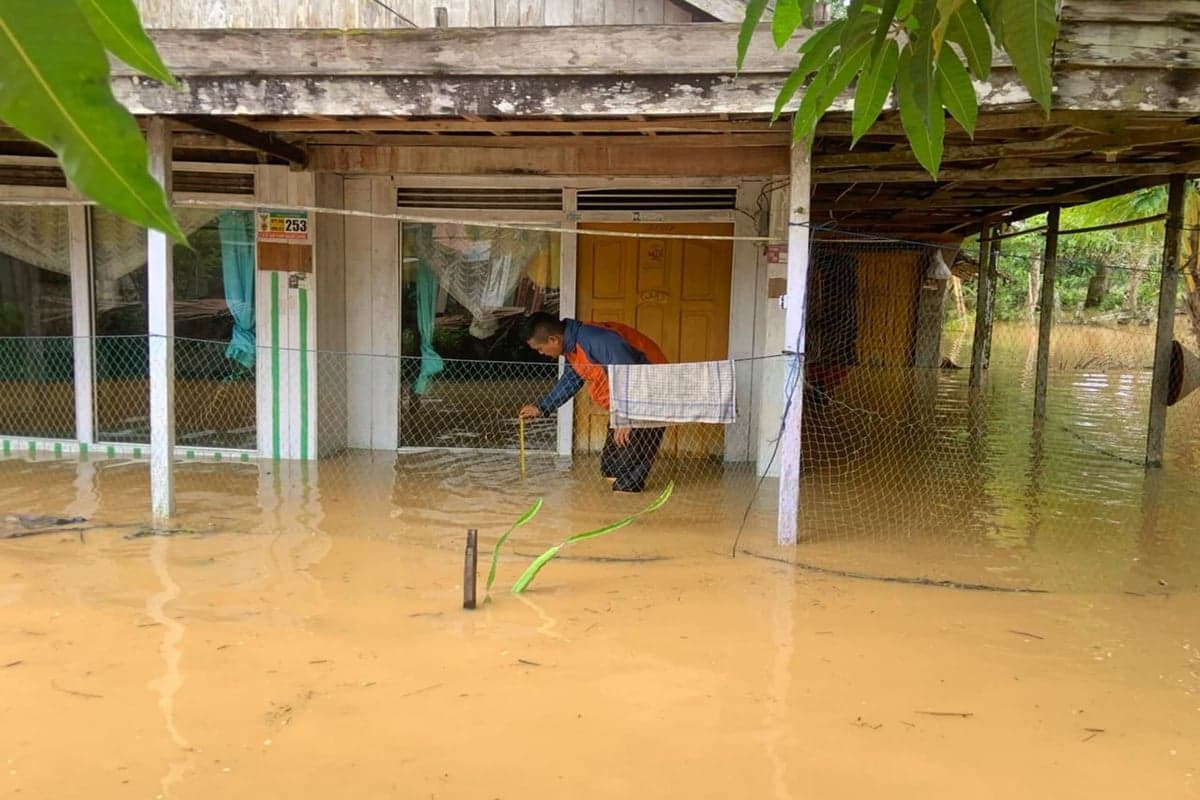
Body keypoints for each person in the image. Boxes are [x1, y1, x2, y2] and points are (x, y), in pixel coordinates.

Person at [518, 313, 667, 493]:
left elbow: (628, 373)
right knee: (610, 469)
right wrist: (542, 407)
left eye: (540, 349)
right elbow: (572, 379)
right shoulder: (572, 347)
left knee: (627, 480)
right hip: (623, 407)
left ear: (553, 339)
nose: (541, 354)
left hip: (648, 400)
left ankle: (631, 512)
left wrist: (626, 417)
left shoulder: (597, 339)